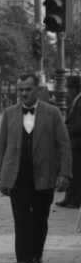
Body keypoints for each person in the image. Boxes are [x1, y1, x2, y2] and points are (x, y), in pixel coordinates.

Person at [0, 73, 72, 263]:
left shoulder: (53, 113)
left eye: (28, 89)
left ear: (37, 90)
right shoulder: (9, 113)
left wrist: (64, 174)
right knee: (21, 218)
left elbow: (64, 145)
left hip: (43, 174)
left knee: (40, 218)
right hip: (17, 175)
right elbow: (2, 147)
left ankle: (35, 255)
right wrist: (1, 176)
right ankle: (23, 260)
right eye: (20, 90)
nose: (23, 93)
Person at [58, 75, 81, 209]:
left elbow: (79, 126)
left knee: (76, 172)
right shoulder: (76, 101)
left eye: (68, 88)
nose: (67, 91)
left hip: (78, 144)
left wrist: (62, 127)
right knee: (73, 170)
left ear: (74, 89)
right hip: (75, 143)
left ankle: (75, 199)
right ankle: (69, 197)